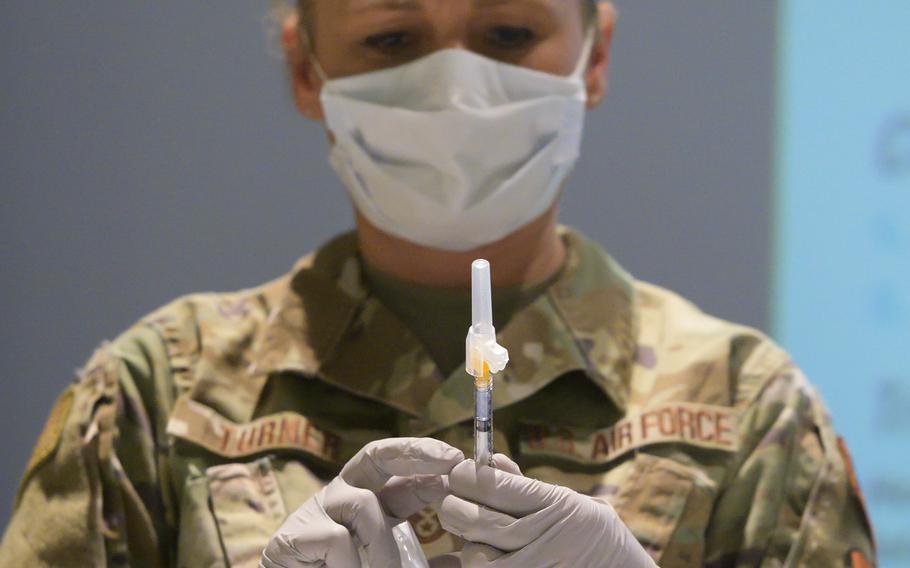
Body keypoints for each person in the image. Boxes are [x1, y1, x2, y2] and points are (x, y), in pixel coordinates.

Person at [0, 1, 877, 567]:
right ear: (307, 67)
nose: (457, 87)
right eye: (392, 40)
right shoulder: (159, 400)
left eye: (506, 35)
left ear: (594, 55)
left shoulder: (748, 411)